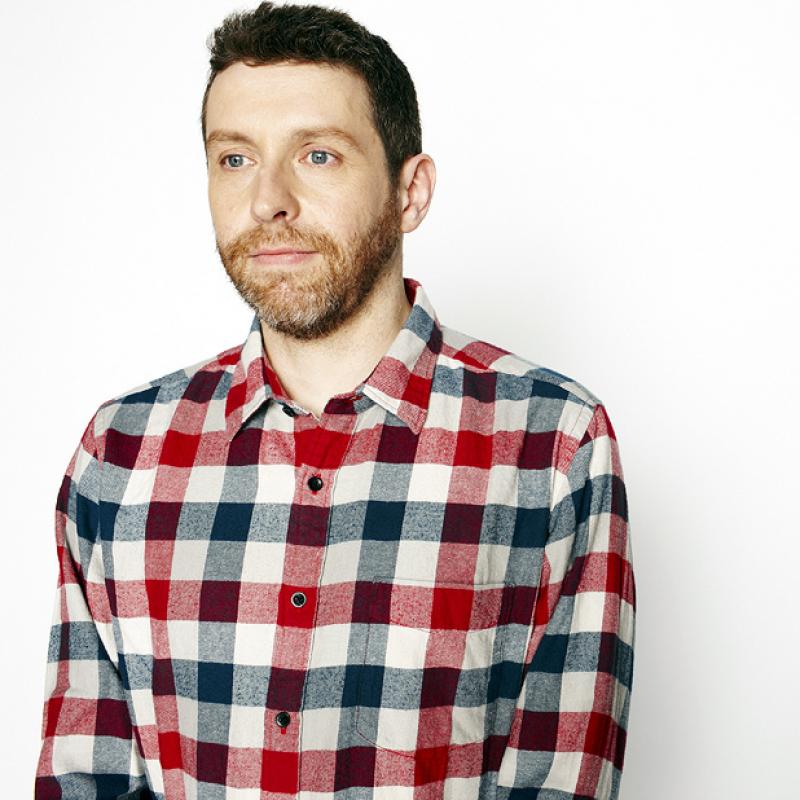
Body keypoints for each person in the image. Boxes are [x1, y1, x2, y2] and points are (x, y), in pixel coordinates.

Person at [34, 2, 636, 798]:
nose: (268, 200)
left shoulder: (554, 445)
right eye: (236, 159)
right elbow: (86, 779)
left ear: (410, 191)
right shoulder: (121, 451)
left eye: (317, 155)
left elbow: (560, 783)